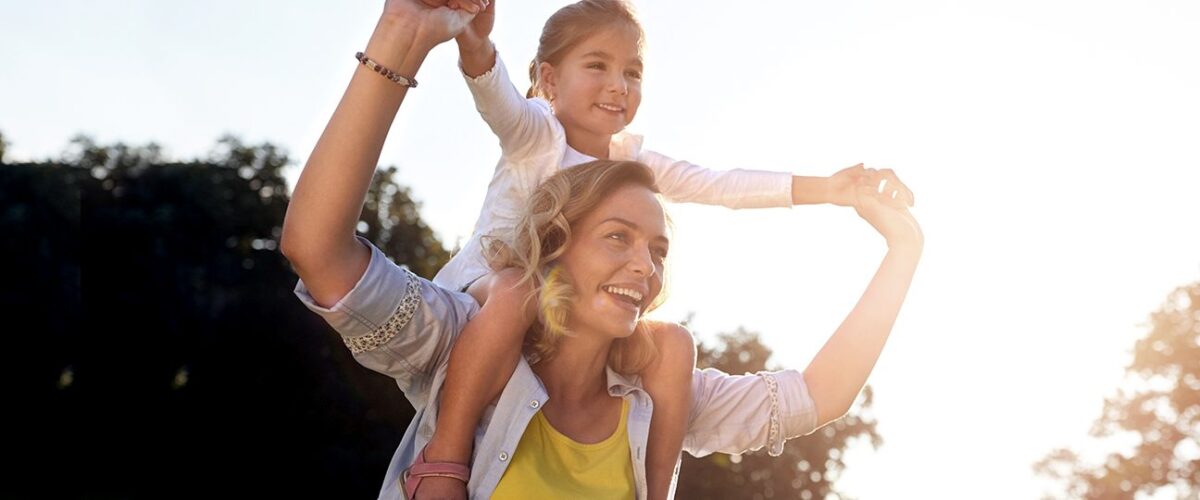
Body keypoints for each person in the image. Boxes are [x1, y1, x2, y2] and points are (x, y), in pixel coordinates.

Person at [281, 2, 922, 498]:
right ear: (549, 79)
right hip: (492, 287)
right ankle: (445, 459)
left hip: (537, 303)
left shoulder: (652, 384)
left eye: (658, 249)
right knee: (516, 291)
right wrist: (450, 40)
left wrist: (871, 223)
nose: (644, 265)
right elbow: (492, 100)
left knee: (675, 343)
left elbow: (723, 187)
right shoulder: (534, 137)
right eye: (617, 236)